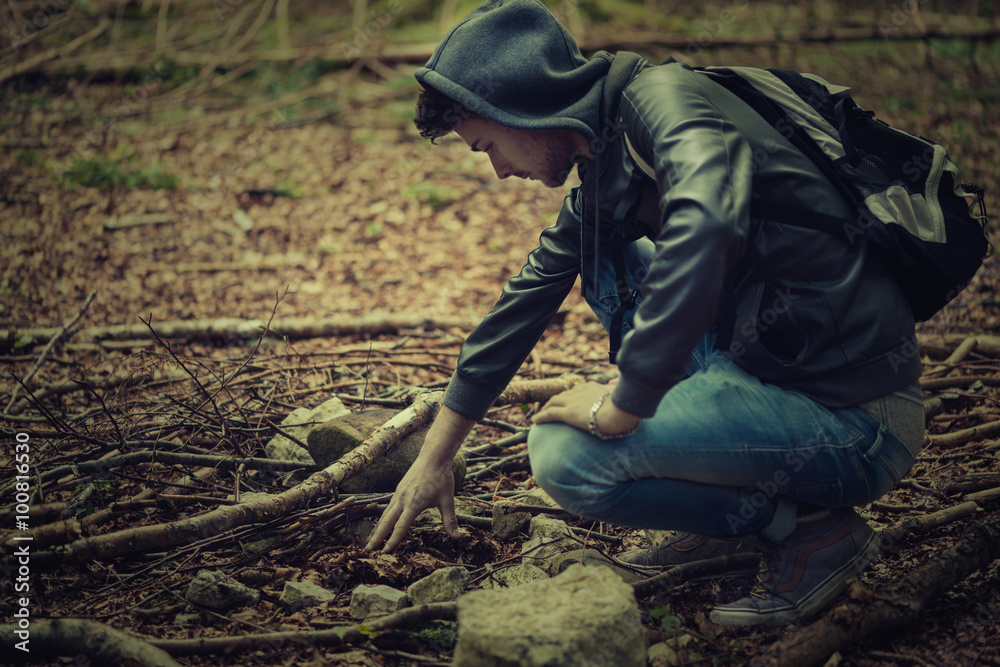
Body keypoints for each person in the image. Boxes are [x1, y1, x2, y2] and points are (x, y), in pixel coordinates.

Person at [365, 0, 926, 627]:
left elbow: (706, 219)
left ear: (515, 108)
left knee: (563, 454)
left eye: (487, 146)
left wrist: (621, 406)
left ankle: (810, 531)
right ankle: (731, 515)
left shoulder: (667, 103)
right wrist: (434, 456)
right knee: (604, 255)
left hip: (855, 418)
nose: (497, 170)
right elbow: (525, 299)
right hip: (766, 373)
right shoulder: (604, 167)